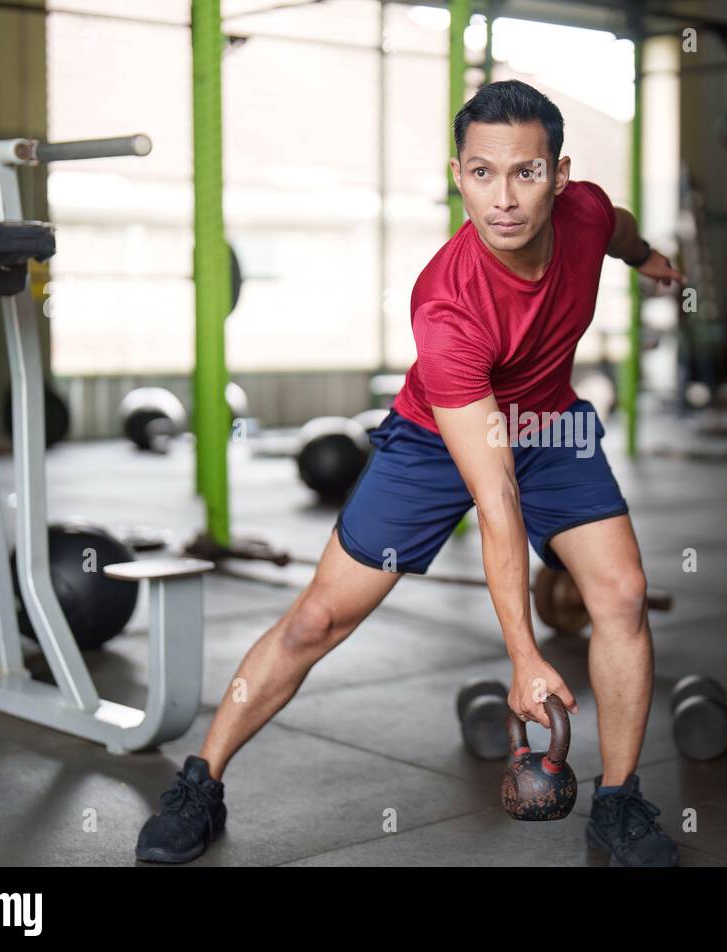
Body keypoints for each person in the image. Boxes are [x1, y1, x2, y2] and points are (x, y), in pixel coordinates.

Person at [136, 80, 686, 867]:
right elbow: (495, 500)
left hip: (548, 426)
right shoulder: (448, 305)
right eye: (482, 174)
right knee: (316, 622)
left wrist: (649, 258)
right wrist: (524, 659)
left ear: (559, 177)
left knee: (624, 594)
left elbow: (618, 230)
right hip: (438, 441)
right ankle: (201, 781)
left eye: (525, 173)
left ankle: (620, 803)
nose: (503, 198)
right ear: (457, 174)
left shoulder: (587, 213)